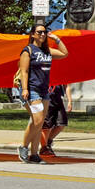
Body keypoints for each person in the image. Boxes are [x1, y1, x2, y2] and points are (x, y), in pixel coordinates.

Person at [15, 23, 69, 163]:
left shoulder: (47, 51)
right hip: (31, 89)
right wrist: (25, 89)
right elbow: (24, 71)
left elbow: (64, 53)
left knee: (39, 123)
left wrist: (56, 39)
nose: (43, 34)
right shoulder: (28, 50)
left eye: (44, 32)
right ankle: (23, 146)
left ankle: (34, 154)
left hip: (44, 90)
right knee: (37, 120)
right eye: (39, 32)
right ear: (32, 34)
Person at [40, 82, 71, 157]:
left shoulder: (61, 73)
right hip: (46, 98)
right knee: (46, 126)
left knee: (62, 123)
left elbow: (67, 86)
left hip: (57, 99)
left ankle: (48, 141)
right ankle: (44, 148)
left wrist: (69, 101)